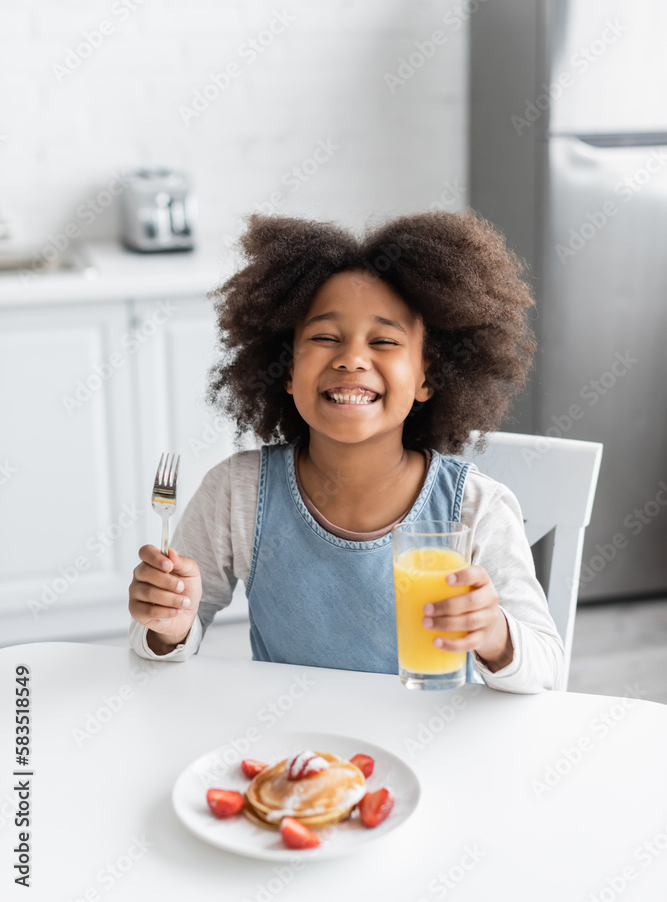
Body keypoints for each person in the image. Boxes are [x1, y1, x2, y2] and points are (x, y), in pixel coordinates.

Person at [128, 210, 565, 693]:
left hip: (431, 751)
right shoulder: (236, 493)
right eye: (324, 337)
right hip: (294, 752)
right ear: (287, 371)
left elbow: (547, 668)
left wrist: (495, 633)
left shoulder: (476, 508)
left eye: (383, 340)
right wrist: (167, 624)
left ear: (427, 378)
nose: (352, 358)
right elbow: (164, 640)